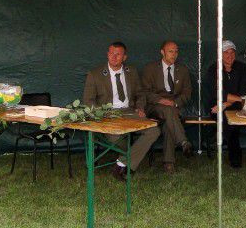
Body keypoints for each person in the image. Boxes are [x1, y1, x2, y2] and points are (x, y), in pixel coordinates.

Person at [82, 41, 160, 181]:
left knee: (154, 130)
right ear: (107, 54)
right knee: (115, 137)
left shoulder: (132, 71)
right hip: (108, 114)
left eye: (118, 54)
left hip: (129, 112)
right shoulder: (95, 74)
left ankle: (121, 163)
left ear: (124, 57)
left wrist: (140, 107)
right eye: (111, 53)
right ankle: (127, 162)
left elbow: (140, 93)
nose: (114, 57)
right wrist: (101, 114)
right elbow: (88, 101)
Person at [142, 40, 193, 174]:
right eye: (170, 51)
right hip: (155, 106)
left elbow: (187, 92)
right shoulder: (150, 68)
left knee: (169, 121)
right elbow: (145, 92)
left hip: (174, 107)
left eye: (176, 51)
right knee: (170, 113)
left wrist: (175, 103)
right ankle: (183, 141)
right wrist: (160, 100)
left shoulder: (182, 70)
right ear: (162, 52)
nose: (174, 54)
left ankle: (169, 163)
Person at [206, 40, 246, 168]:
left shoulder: (243, 68)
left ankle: (222, 140)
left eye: (232, 52)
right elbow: (217, 92)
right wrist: (232, 100)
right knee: (228, 122)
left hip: (236, 106)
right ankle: (235, 158)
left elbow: (244, 93)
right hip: (216, 106)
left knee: (232, 121)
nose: (229, 55)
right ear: (220, 54)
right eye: (226, 52)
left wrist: (225, 104)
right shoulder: (213, 69)